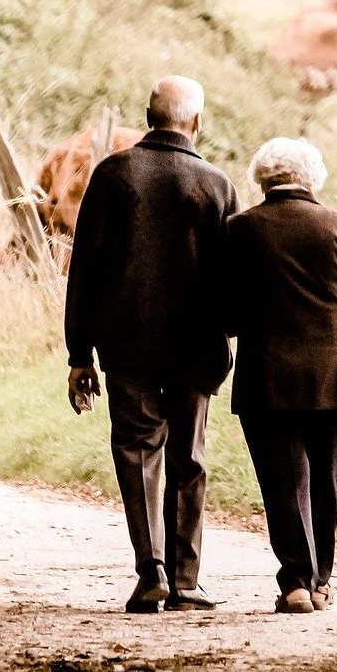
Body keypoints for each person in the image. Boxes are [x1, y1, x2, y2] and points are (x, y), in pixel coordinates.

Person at [64, 75, 239, 614]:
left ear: (147, 115)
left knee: (138, 452)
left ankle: (151, 572)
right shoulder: (216, 185)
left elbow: (84, 270)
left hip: (127, 343)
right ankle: (187, 581)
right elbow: (230, 277)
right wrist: (228, 335)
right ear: (197, 122)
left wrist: (79, 355)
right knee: (189, 456)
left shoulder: (114, 175)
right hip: (196, 346)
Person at [223, 137, 337, 615]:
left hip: (267, 377)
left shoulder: (239, 230)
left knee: (284, 480)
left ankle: (296, 583)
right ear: (313, 177)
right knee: (326, 476)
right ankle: (320, 580)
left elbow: (226, 311)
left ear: (262, 178)